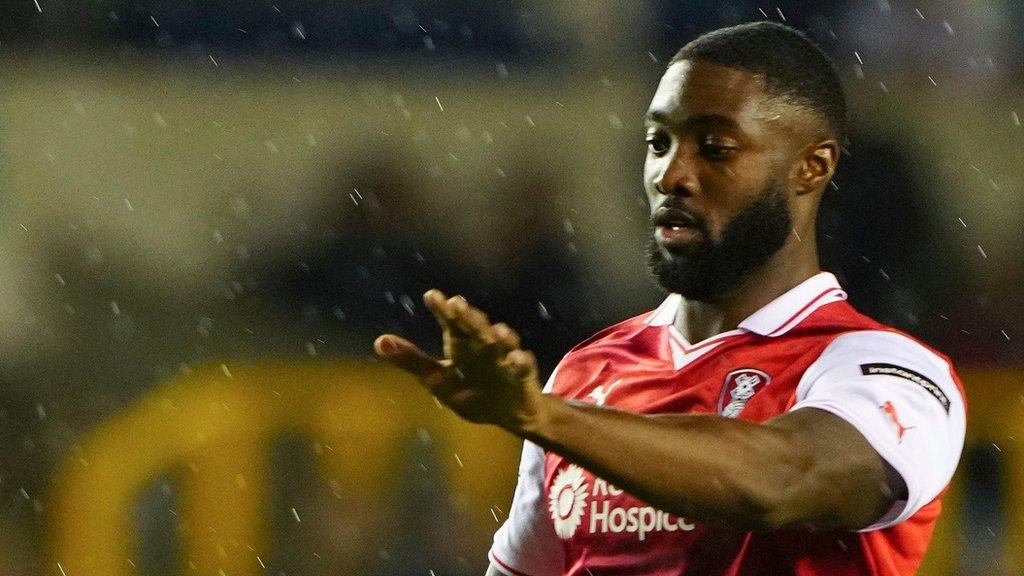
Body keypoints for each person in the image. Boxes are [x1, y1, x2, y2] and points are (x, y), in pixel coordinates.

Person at [374, 21, 966, 576]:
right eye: (659, 142)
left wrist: (545, 419)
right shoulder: (584, 376)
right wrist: (549, 413)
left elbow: (779, 480)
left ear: (811, 167)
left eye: (714, 147)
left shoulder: (889, 373)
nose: (670, 174)